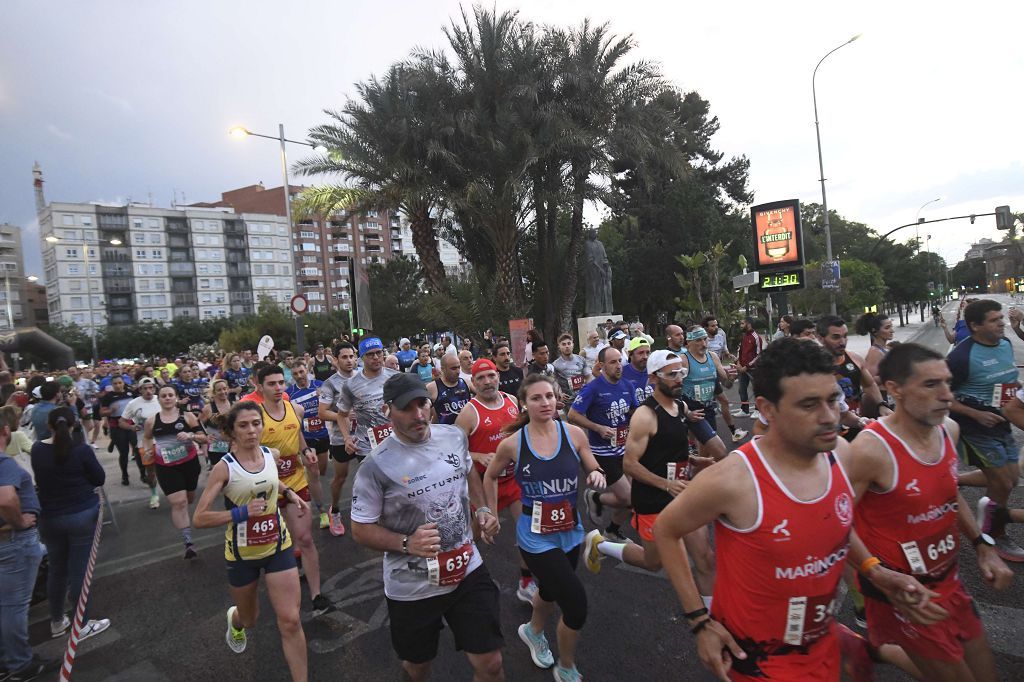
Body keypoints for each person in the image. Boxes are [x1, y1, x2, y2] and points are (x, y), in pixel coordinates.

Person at [653, 338, 935, 681]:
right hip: (759, 661)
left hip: (821, 642)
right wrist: (700, 621)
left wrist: (874, 570)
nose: (829, 416)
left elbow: (835, 522)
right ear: (767, 409)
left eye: (833, 400)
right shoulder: (735, 479)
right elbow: (666, 529)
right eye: (809, 405)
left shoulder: (841, 456)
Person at [847, 343, 1014, 681]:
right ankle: (865, 645)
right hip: (902, 592)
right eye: (930, 385)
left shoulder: (948, 430)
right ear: (894, 389)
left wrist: (982, 544)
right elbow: (833, 523)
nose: (946, 396)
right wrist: (877, 574)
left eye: (947, 383)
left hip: (949, 579)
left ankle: (868, 650)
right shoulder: (870, 449)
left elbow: (948, 494)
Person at [350, 373, 504, 682]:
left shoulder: (453, 436)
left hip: (467, 569)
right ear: (387, 411)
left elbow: (469, 473)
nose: (419, 415)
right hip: (413, 586)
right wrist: (408, 543)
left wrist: (483, 509)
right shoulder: (375, 466)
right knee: (418, 668)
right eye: (407, 408)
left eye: (423, 404)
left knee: (491, 664)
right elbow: (360, 529)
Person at [484, 374, 605, 681]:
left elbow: (591, 462)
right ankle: (566, 666)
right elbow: (490, 475)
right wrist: (490, 511)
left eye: (550, 396)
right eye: (537, 398)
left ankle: (533, 630)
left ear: (557, 398)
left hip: (570, 531)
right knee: (576, 606)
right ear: (524, 404)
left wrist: (596, 475)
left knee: (550, 589)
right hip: (535, 536)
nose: (545, 402)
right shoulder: (513, 443)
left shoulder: (575, 434)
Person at [584, 351, 724, 604]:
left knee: (705, 558)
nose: (679, 379)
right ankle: (600, 544)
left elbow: (666, 447)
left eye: (681, 373)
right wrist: (665, 484)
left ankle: (712, 621)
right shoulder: (645, 416)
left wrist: (693, 460)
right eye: (672, 375)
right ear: (654, 378)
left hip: (681, 493)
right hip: (652, 497)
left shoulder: (680, 406)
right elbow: (630, 464)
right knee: (653, 562)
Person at [192, 401, 309, 682]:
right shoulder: (224, 468)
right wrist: (241, 512)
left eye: (256, 424)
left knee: (291, 621)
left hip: (278, 546)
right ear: (232, 432)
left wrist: (289, 491)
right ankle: (235, 619)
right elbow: (199, 517)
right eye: (243, 426)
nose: (252, 431)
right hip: (242, 554)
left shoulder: (272, 454)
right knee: (250, 619)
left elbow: (270, 480)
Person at [947, 299, 1024, 561]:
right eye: (994, 320)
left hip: (1004, 423)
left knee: (1011, 478)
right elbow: (943, 396)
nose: (1002, 323)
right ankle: (994, 534)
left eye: (1001, 318)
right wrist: (976, 413)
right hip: (974, 427)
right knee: (1002, 482)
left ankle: (953, 480)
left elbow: (1007, 378)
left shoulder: (1005, 345)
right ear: (975, 326)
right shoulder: (960, 357)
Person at [454, 358, 535, 603]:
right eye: (480, 378)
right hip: (480, 483)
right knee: (475, 535)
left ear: (498, 376)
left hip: (512, 480)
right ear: (473, 382)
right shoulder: (469, 412)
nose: (487, 382)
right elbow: (452, 452)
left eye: (491, 376)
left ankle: (526, 581)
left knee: (527, 531)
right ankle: (457, 573)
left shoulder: (512, 402)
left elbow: (524, 436)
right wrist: (478, 455)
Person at [30, 407, 111, 642]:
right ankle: (83, 623)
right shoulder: (82, 450)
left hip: (49, 518)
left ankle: (56, 620)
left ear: (49, 425)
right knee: (79, 571)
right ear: (74, 424)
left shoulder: (37, 450)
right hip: (81, 514)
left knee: (57, 569)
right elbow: (99, 478)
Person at [256, 365, 330, 615]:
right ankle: (286, 598)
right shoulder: (255, 417)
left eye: (280, 383)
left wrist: (307, 452)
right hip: (268, 487)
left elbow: (299, 439)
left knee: (306, 538)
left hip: (296, 481)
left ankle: (317, 595)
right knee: (277, 544)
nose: (278, 388)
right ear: (260, 387)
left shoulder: (294, 409)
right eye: (271, 384)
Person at [0, 410, 56, 681]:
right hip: (13, 544)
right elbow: (7, 499)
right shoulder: (4, 463)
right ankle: (20, 663)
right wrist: (18, 522)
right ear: (5, 432)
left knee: (5, 604)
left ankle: (8, 658)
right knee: (13, 606)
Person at [568, 347, 637, 543]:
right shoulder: (593, 388)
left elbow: (634, 411)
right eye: (613, 362)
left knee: (633, 499)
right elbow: (573, 415)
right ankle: (597, 498)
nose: (618, 366)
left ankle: (612, 531)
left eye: (620, 361)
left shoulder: (627, 386)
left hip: (625, 448)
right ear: (602, 366)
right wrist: (597, 428)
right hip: (602, 452)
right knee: (628, 497)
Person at [143, 385, 208, 559]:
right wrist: (148, 449)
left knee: (189, 498)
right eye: (163, 395)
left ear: (176, 397)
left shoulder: (187, 417)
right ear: (159, 398)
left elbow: (204, 437)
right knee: (179, 503)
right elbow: (147, 438)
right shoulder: (151, 421)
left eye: (171, 395)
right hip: (165, 466)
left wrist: (191, 436)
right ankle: (188, 543)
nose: (167, 398)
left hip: (189, 464)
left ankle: (186, 510)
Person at [317, 342, 357, 537]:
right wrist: (344, 415)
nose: (349, 360)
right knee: (340, 478)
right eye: (344, 357)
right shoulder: (330, 383)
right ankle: (335, 510)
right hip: (341, 438)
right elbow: (322, 413)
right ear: (335, 360)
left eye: (351, 356)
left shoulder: (362, 376)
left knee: (372, 473)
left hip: (365, 436)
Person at [286, 363, 330, 530]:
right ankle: (322, 512)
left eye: (301, 371)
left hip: (323, 435)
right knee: (314, 471)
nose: (299, 375)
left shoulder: (319, 385)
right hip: (306, 439)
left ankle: (310, 483)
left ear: (307, 371)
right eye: (295, 373)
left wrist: (324, 398)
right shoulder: (289, 394)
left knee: (322, 471)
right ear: (293, 376)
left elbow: (333, 405)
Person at [817, 315, 885, 422]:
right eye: (836, 337)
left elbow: (869, 384)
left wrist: (881, 405)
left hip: (857, 422)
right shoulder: (813, 366)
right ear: (820, 338)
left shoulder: (855, 359)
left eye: (845, 336)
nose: (842, 342)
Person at [680, 326, 737, 438]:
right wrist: (686, 413)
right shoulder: (683, 360)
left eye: (705, 339)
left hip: (709, 409)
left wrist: (731, 378)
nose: (704, 344)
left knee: (708, 450)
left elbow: (727, 385)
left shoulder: (713, 357)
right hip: (692, 411)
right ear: (689, 342)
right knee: (716, 448)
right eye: (698, 340)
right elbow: (671, 392)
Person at [120, 378, 161, 508]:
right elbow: (121, 421)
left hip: (164, 440)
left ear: (154, 388)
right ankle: (154, 494)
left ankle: (172, 492)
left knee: (169, 468)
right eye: (145, 388)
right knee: (150, 471)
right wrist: (132, 427)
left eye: (151, 388)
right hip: (144, 442)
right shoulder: (134, 403)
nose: (148, 391)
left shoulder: (162, 398)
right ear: (140, 390)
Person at [100, 376, 138, 487]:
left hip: (131, 425)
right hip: (117, 427)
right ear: (112, 385)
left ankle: (143, 474)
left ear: (123, 383)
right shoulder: (108, 396)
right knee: (124, 452)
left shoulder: (131, 393)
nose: (117, 385)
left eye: (120, 383)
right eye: (115, 383)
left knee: (137, 450)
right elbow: (101, 413)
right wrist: (111, 410)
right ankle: (125, 475)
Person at [200, 379, 235, 469]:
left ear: (227, 389)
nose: (223, 392)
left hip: (233, 446)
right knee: (218, 472)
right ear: (214, 392)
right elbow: (198, 424)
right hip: (217, 446)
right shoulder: (208, 408)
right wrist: (205, 436)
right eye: (219, 390)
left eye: (224, 389)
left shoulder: (234, 405)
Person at [426, 353, 470, 425]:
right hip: (445, 433)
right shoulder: (432, 388)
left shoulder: (466, 383)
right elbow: (425, 415)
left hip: (466, 432)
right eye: (453, 368)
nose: (458, 371)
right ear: (443, 369)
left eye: (459, 367)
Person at [733, 317, 763, 418]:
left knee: (757, 389)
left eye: (742, 323)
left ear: (748, 324)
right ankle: (744, 410)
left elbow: (758, 355)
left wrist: (747, 366)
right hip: (741, 368)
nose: (741, 326)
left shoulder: (756, 337)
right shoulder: (743, 336)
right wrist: (738, 362)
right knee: (742, 390)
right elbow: (739, 350)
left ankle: (758, 410)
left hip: (753, 369)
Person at [856, 312, 894, 388]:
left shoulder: (885, 348)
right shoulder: (875, 352)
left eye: (891, 327)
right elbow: (869, 381)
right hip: (883, 396)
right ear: (875, 331)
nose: (892, 331)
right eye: (887, 328)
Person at [552, 333, 588, 409]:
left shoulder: (581, 359)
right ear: (559, 347)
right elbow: (554, 381)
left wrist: (589, 389)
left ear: (573, 344)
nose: (567, 346)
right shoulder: (555, 364)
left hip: (583, 397)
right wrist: (559, 393)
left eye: (569, 343)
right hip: (568, 400)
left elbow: (589, 376)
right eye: (564, 344)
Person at [621, 337, 653, 404]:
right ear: (630, 354)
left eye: (648, 353)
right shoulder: (621, 374)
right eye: (641, 353)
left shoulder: (655, 372)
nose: (645, 356)